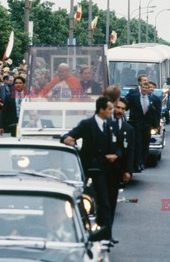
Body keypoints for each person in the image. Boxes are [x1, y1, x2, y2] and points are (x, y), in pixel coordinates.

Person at [61, 96, 116, 242]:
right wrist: (67, 139)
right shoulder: (87, 124)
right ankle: (93, 233)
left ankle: (106, 234)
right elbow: (68, 135)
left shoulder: (109, 125)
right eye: (110, 109)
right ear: (101, 110)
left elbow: (115, 145)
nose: (112, 112)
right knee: (92, 201)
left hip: (105, 170)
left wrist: (114, 155)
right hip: (89, 169)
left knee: (106, 202)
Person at [125, 81, 157, 171]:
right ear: (140, 87)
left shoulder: (151, 99)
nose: (144, 89)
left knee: (145, 145)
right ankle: (138, 163)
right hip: (136, 125)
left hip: (146, 126)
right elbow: (126, 106)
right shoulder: (134, 97)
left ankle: (143, 162)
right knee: (138, 144)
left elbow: (154, 113)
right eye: (143, 87)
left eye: (146, 88)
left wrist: (155, 125)